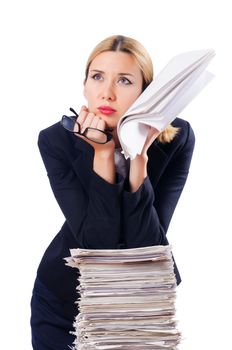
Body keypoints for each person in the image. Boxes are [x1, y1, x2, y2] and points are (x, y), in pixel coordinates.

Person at [30, 34, 195, 349]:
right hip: (67, 299)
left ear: (146, 91)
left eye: (124, 81)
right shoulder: (55, 141)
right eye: (97, 77)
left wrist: (139, 161)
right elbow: (97, 242)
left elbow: (145, 243)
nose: (106, 93)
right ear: (85, 85)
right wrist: (103, 155)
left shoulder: (178, 137)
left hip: (140, 300)